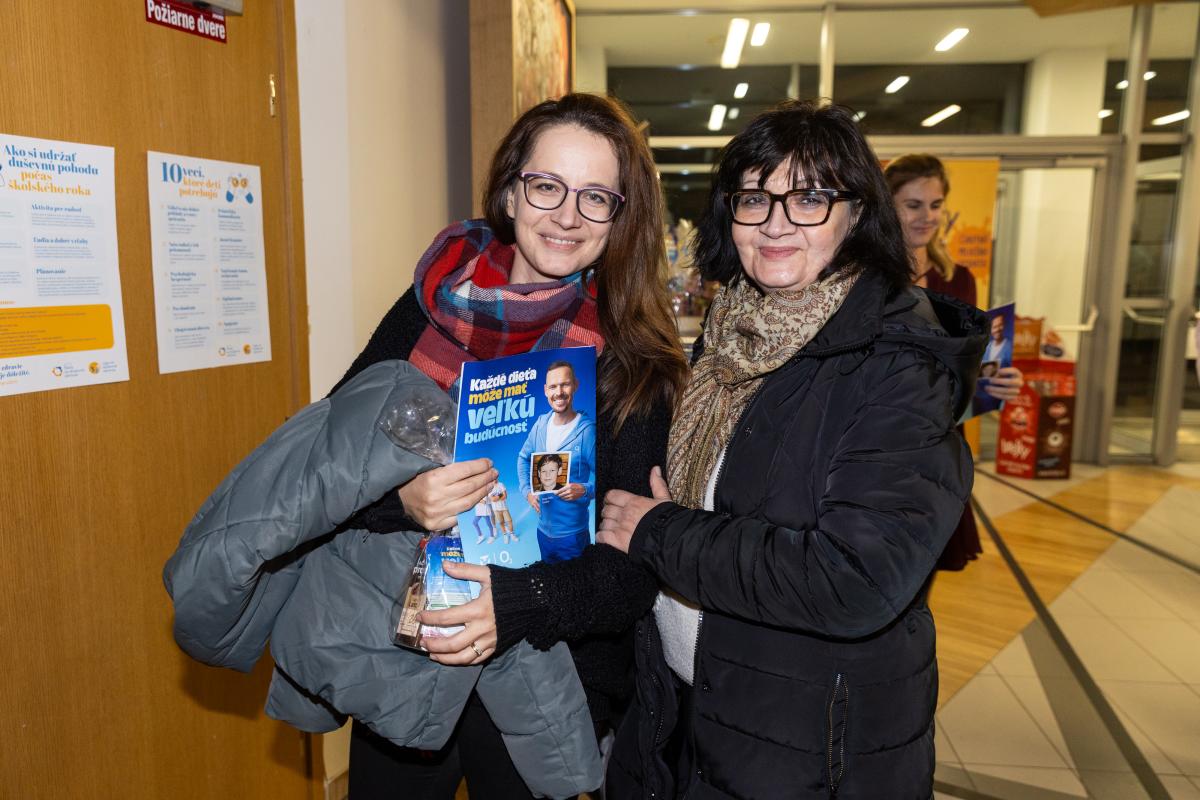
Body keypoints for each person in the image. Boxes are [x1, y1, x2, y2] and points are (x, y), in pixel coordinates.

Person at [166, 93, 688, 800]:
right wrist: (401, 502)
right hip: (401, 651)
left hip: (547, 672)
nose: (567, 215)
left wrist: (518, 603)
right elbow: (330, 465)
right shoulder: (427, 308)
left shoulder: (634, 362)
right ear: (511, 191)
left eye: (596, 197)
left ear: (621, 217)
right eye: (547, 186)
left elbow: (630, 575)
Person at [596, 100, 987, 799]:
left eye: (808, 198)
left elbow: (855, 579)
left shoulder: (899, 364)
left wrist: (660, 533)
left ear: (856, 213)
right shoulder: (732, 333)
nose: (775, 223)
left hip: (805, 745)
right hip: (691, 710)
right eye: (754, 198)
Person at [885, 153, 1023, 569]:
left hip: (939, 445)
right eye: (913, 205)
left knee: (926, 571)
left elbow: (968, 364)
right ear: (886, 205)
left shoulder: (958, 279)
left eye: (936, 204)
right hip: (880, 441)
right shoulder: (864, 276)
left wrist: (994, 381)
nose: (927, 217)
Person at [517, 360, 596, 563]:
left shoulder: (587, 432)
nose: (558, 392)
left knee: (575, 582)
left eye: (565, 384)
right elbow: (523, 458)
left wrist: (584, 489)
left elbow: (608, 478)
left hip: (573, 536)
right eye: (553, 387)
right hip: (543, 533)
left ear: (575, 385)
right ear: (545, 390)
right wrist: (527, 492)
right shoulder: (540, 425)